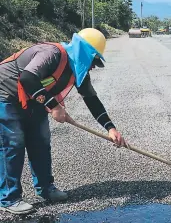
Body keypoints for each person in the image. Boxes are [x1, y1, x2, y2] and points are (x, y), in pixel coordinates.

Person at [0, 28, 127, 215]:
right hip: (6, 95)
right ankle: (9, 198)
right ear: (86, 53)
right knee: (13, 143)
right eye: (94, 61)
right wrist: (55, 106)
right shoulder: (52, 54)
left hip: (33, 99)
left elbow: (92, 100)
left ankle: (45, 188)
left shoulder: (77, 70)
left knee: (41, 142)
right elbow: (27, 78)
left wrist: (111, 128)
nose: (93, 66)